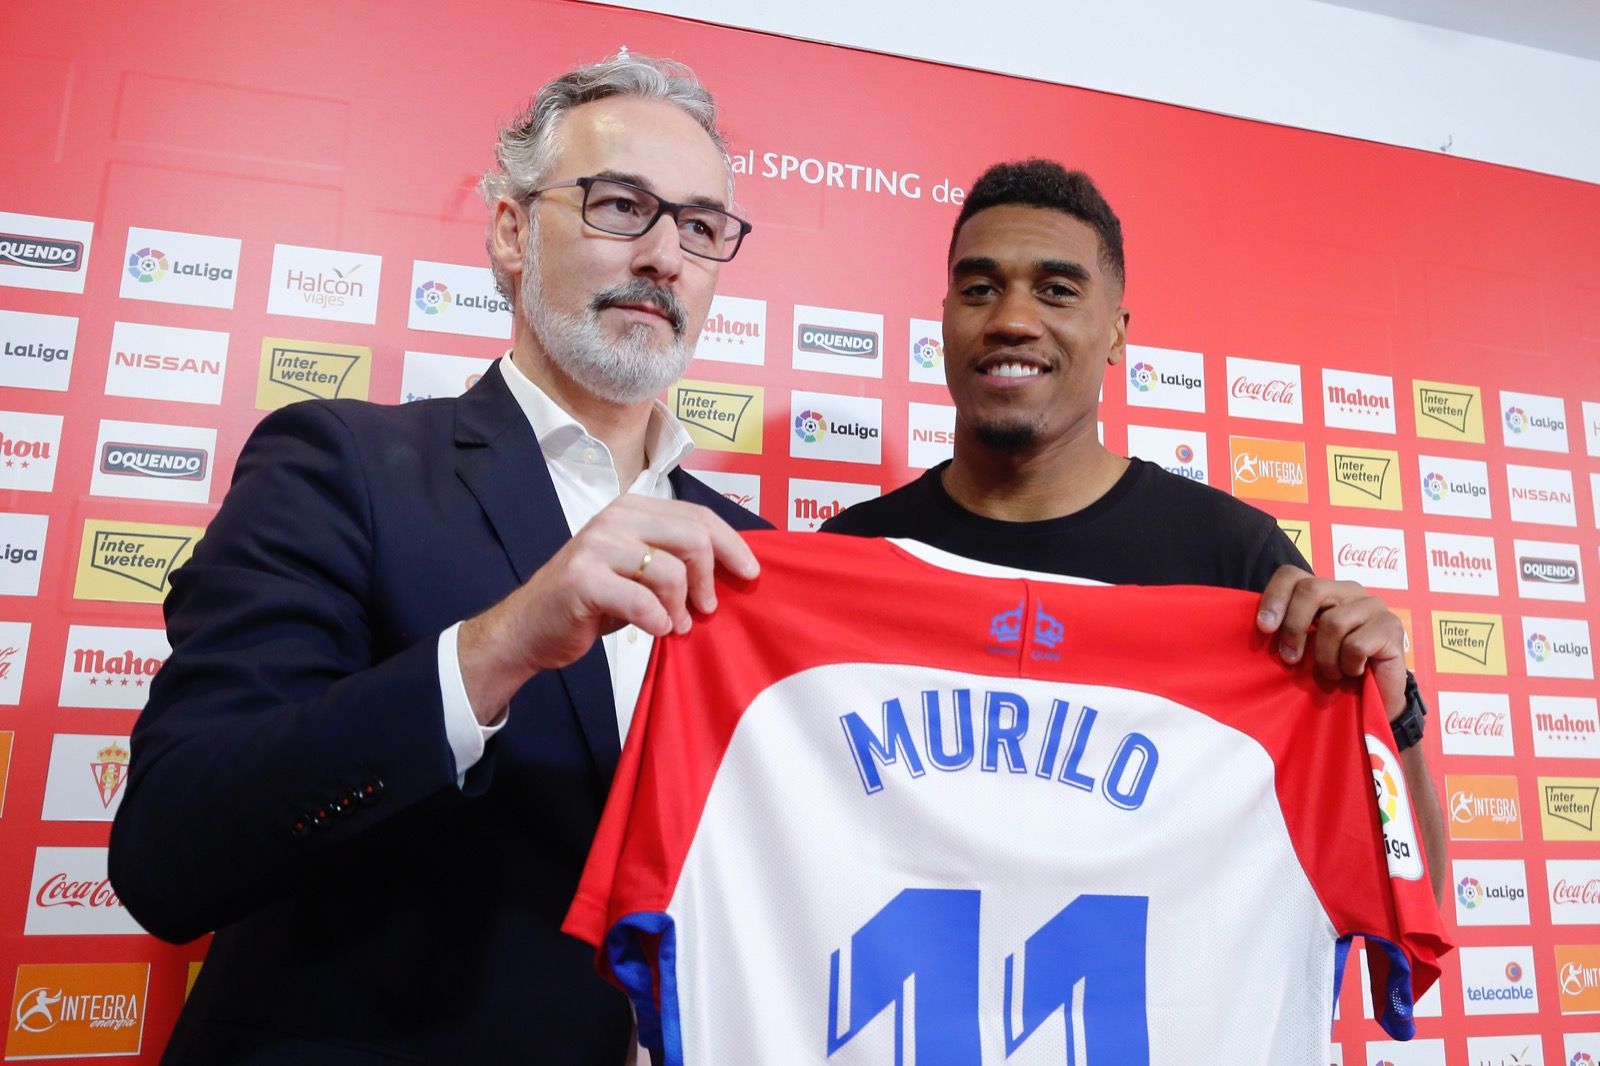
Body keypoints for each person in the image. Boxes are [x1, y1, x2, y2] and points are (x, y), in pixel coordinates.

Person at [109, 53, 767, 1064]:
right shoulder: (340, 464)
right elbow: (170, 852)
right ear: (510, 232)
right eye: (620, 206)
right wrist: (497, 647)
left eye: (698, 225)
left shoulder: (754, 559)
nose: (663, 256)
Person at [821, 159, 1446, 897]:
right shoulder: (849, 560)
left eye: (1057, 291)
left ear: (1117, 335)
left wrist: (1391, 712)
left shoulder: (1237, 560)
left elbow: (1415, 893)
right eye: (979, 288)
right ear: (946, 317)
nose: (1012, 319)